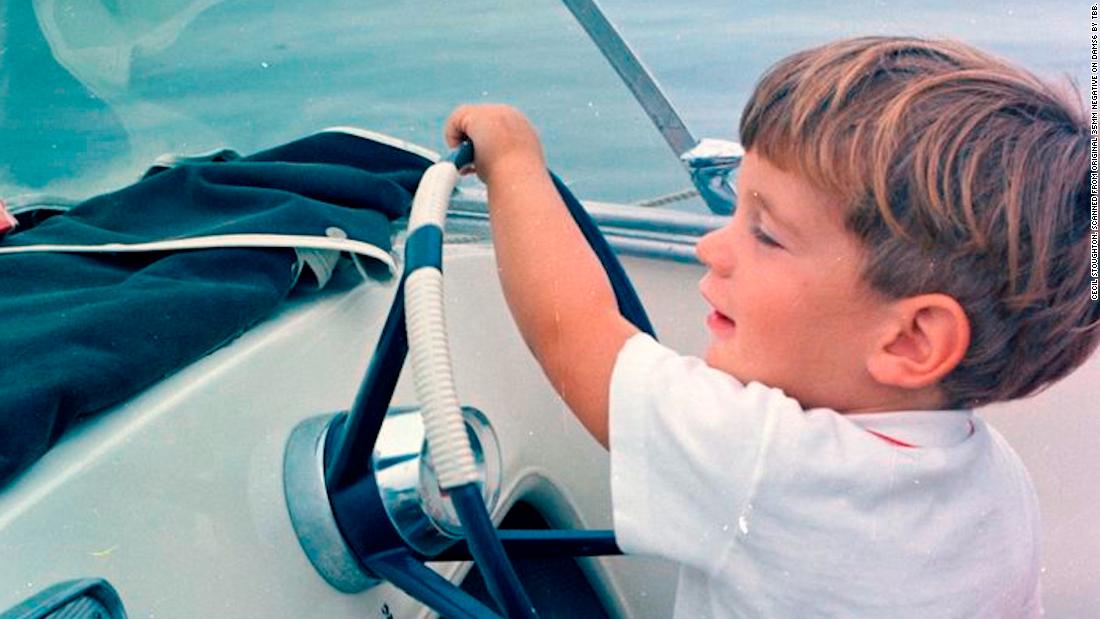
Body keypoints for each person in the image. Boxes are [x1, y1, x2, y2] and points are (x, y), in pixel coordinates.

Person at [443, 36, 1097, 617]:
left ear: (911, 340)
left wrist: (514, 162)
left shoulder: (767, 464)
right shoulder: (997, 480)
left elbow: (575, 335)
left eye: (765, 233)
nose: (711, 247)